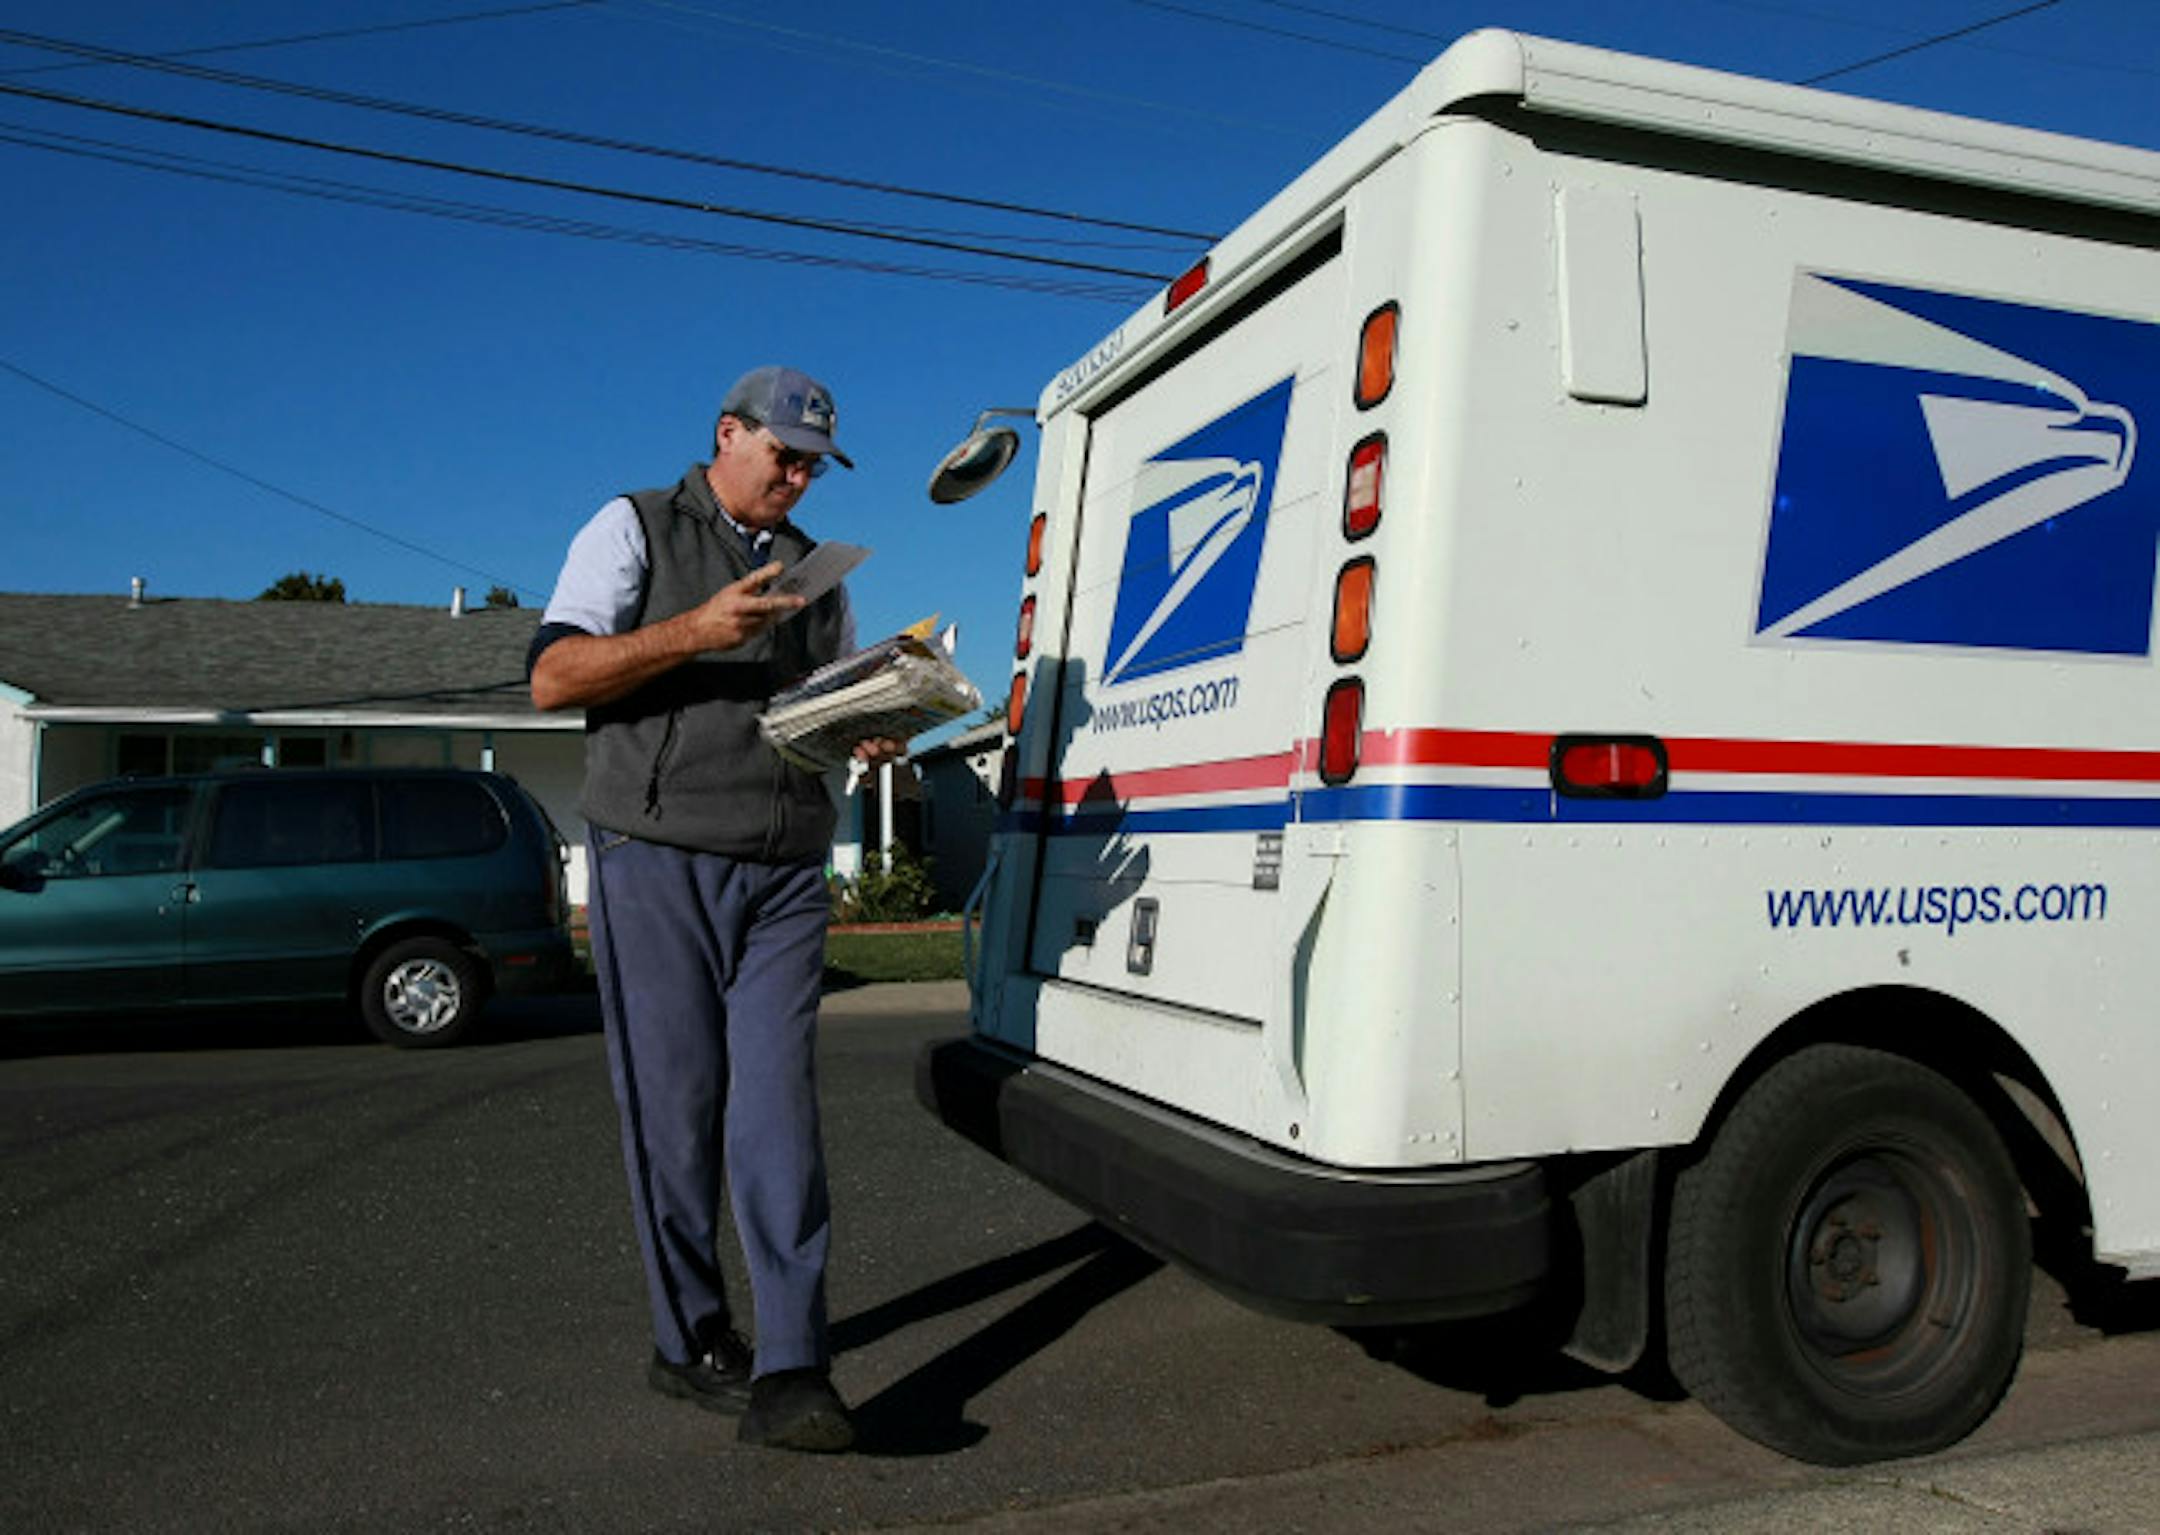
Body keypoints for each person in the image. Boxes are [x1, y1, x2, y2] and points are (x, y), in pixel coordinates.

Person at [529, 365, 900, 1454]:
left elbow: (820, 709)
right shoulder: (633, 525)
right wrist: (693, 629)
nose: (795, 477)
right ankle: (689, 1336)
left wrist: (873, 724)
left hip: (785, 862)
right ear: (726, 433)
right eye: (781, 454)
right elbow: (554, 678)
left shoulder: (817, 574)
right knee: (677, 1106)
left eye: (811, 464)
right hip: (657, 851)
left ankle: (794, 1365)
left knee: (779, 1108)